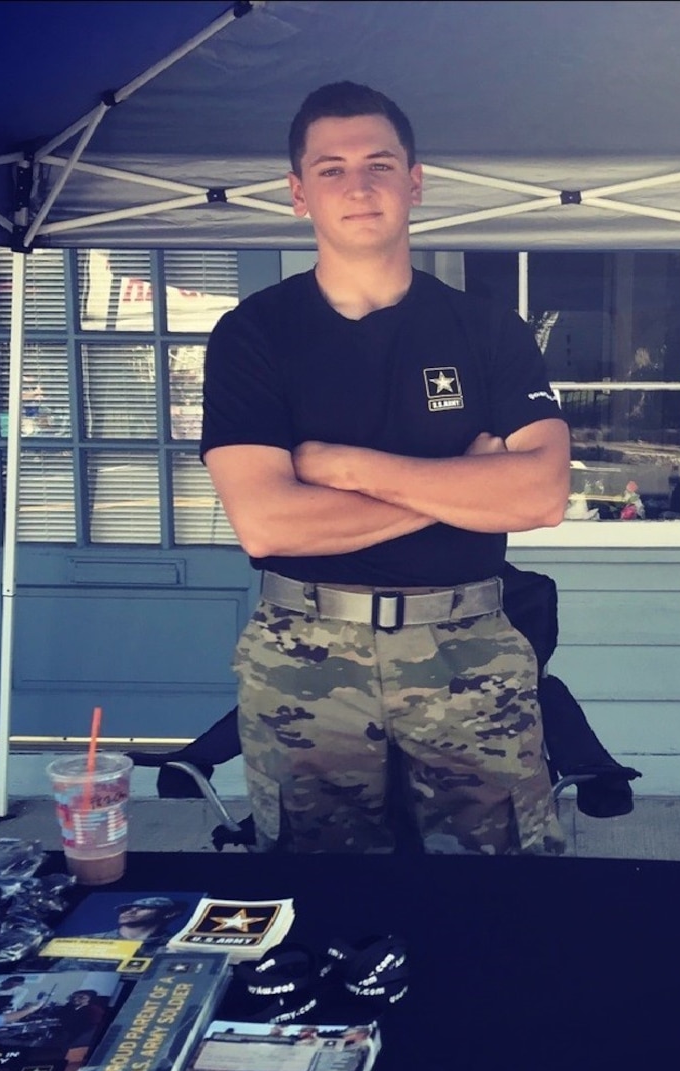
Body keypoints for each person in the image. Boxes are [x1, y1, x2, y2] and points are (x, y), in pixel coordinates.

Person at [201, 81, 570, 856]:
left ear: (415, 181)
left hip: (467, 648)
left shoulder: (486, 330)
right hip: (303, 654)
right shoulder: (253, 334)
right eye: (330, 168)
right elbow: (266, 523)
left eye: (378, 163)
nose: (358, 185)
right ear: (299, 193)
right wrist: (462, 483)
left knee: (499, 896)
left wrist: (341, 466)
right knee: (320, 896)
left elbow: (538, 494)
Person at [90, 897, 184, 953]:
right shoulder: (89, 942)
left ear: (169, 914)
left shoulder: (177, 947)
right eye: (125, 909)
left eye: (142, 908)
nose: (130, 912)